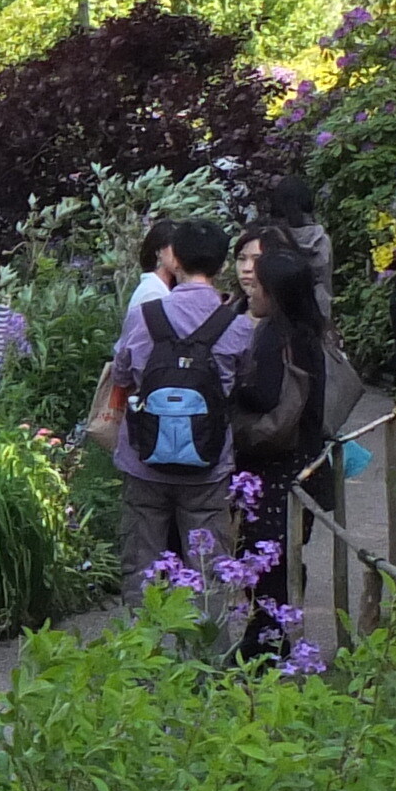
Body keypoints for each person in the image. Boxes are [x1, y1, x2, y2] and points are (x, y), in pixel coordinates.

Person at [107, 217, 244, 595]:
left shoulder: (145, 315)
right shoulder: (235, 324)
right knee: (209, 564)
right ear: (221, 265)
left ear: (174, 259)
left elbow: (122, 374)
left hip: (144, 459)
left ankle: (141, 649)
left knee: (141, 566)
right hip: (208, 465)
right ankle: (207, 651)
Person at [228, 227, 346, 664]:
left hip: (275, 465)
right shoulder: (310, 330)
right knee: (279, 553)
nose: (249, 289)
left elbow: (263, 394)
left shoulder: (279, 334)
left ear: (274, 292)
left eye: (258, 285)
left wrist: (233, 386)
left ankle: (267, 641)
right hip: (303, 459)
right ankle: (271, 636)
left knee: (263, 554)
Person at [259, 170, 337, 312]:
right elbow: (327, 282)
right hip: (318, 307)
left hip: (281, 309)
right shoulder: (321, 238)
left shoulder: (271, 238)